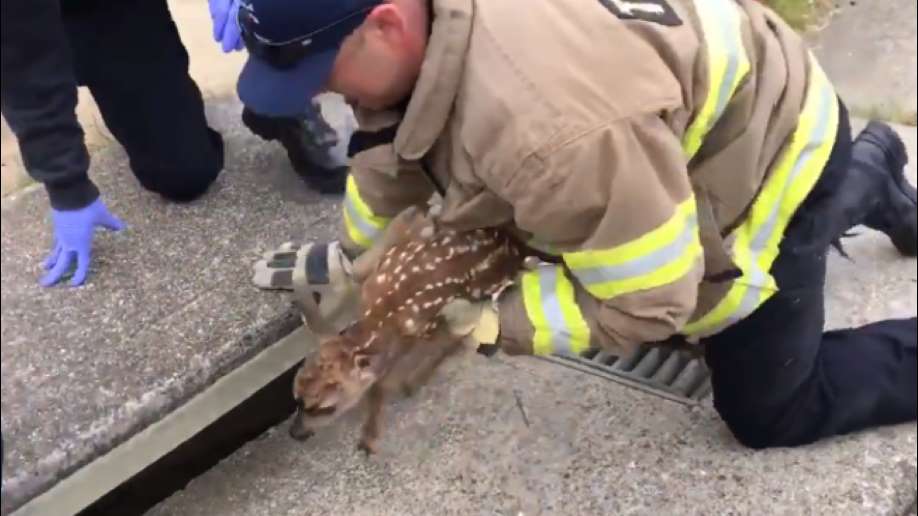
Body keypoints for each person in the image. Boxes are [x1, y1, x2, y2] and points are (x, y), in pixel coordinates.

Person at [243, 0, 917, 450]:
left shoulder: (549, 138)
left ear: (387, 25)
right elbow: (397, 151)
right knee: (587, 220)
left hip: (771, 146)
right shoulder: (431, 35)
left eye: (321, 74)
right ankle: (874, 169)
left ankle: (853, 175)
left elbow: (652, 299)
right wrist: (357, 261)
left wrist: (485, 323)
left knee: (768, 409)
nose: (320, 96)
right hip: (672, 105)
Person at [0, 0, 348, 288]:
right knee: (183, 175)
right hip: (69, 15)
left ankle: (283, 90)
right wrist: (66, 185)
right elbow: (21, 58)